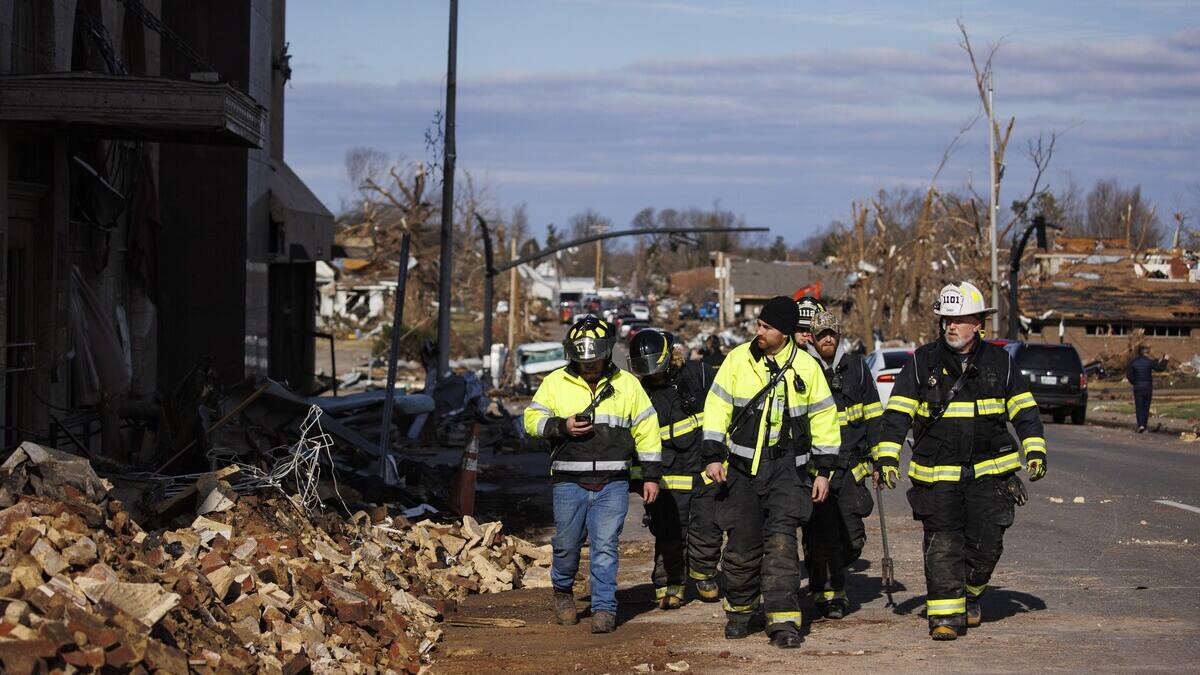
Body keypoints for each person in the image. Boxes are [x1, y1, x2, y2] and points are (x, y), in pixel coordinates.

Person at [874, 282, 1047, 641]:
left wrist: (1035, 450)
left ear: (979, 324)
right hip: (937, 476)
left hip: (990, 475)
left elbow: (1025, 411)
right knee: (943, 544)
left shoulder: (1000, 363)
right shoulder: (923, 363)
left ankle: (970, 593)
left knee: (987, 545)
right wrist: (888, 457)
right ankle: (945, 617)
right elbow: (897, 415)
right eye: (946, 320)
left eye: (959, 319)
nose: (951, 326)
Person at [701, 296, 841, 648]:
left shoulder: (808, 369)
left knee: (781, 546)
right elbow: (716, 408)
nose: (758, 331)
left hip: (787, 473)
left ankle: (783, 621)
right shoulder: (737, 361)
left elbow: (825, 420)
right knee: (742, 547)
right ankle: (740, 612)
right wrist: (713, 455)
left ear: (784, 333)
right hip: (743, 473)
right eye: (759, 325)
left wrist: (824, 471)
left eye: (766, 327)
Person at [523, 316, 662, 633]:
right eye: (582, 360)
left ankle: (604, 608)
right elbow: (530, 419)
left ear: (606, 353)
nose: (589, 367)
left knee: (604, 547)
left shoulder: (628, 385)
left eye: (594, 360)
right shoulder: (555, 382)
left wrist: (651, 475)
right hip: (568, 482)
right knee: (567, 546)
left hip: (613, 483)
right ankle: (562, 591)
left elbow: (647, 430)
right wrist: (561, 426)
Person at [628, 329, 722, 608]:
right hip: (667, 474)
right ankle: (670, 583)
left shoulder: (699, 375)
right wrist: (641, 478)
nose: (652, 375)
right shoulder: (639, 393)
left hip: (706, 467)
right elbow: (634, 440)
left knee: (708, 527)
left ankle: (704, 575)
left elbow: (724, 408)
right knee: (669, 530)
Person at [801, 311, 881, 619]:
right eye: (821, 335)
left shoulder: (857, 369)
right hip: (816, 468)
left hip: (850, 468)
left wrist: (880, 459)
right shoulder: (805, 370)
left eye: (832, 334)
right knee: (821, 535)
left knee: (852, 538)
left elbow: (874, 416)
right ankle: (830, 596)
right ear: (813, 338)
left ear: (839, 335)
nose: (828, 339)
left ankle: (828, 576)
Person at [1126, 345, 1169, 433]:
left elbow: (1129, 375)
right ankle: (1144, 425)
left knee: (1139, 406)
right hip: (1148, 386)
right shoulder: (1149, 362)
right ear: (1147, 353)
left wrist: (1134, 382)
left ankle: (1140, 425)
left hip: (1138, 387)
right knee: (1146, 407)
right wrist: (1165, 360)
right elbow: (1160, 368)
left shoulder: (1133, 362)